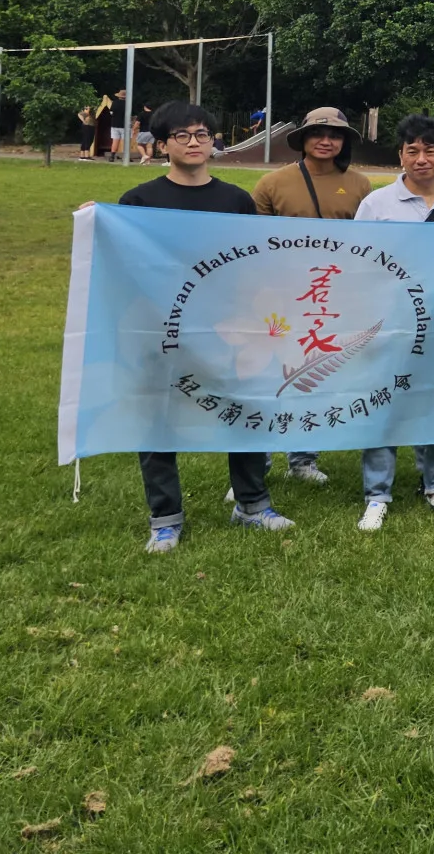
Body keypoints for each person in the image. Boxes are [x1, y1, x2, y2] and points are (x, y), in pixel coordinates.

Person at [117, 101, 294, 552]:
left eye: (202, 134)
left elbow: (252, 264)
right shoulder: (138, 201)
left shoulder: (235, 200)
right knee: (158, 422)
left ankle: (252, 505)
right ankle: (165, 518)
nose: (194, 143)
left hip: (228, 328)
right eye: (182, 136)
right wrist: (95, 223)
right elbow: (124, 267)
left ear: (214, 141)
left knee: (245, 413)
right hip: (162, 329)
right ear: (161, 145)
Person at [351, 114, 434, 531]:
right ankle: (377, 494)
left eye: (430, 150)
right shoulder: (376, 205)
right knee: (382, 404)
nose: (421, 158)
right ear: (400, 156)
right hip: (387, 323)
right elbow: (358, 265)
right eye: (412, 150)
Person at [252, 107, 374, 487]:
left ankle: (303, 459)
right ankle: (256, 462)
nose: (326, 140)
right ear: (303, 138)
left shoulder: (359, 185)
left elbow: (368, 242)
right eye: (318, 133)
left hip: (333, 296)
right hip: (281, 295)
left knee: (312, 375)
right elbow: (250, 242)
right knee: (268, 376)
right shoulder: (271, 184)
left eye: (335, 135)